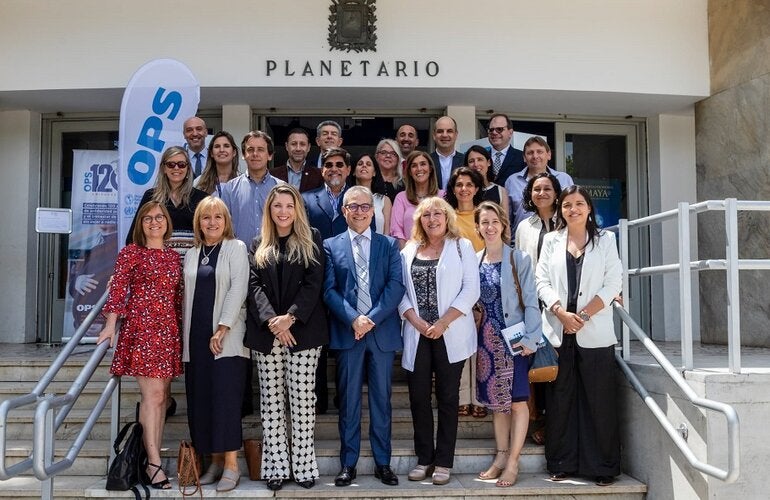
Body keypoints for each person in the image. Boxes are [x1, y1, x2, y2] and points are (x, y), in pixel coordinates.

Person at [535, 185, 622, 486]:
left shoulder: (606, 240)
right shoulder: (550, 240)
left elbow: (613, 283)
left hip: (593, 330)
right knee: (560, 400)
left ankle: (603, 466)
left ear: (589, 209)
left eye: (579, 204)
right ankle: (561, 462)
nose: (574, 209)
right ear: (560, 209)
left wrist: (582, 316)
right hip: (559, 330)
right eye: (568, 205)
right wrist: (560, 312)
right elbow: (541, 280)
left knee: (599, 400)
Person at [246, 184, 328, 491]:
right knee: (271, 402)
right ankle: (276, 467)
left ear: (298, 210)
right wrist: (273, 322)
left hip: (303, 332)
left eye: (289, 206)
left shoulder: (312, 239)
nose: (283, 212)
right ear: (269, 209)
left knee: (303, 401)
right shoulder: (257, 243)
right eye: (277, 206)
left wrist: (290, 318)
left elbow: (314, 283)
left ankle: (304, 467)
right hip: (268, 335)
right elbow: (253, 287)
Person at [323, 186, 405, 488]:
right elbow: (329, 290)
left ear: (374, 210)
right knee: (349, 402)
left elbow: (396, 287)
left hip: (380, 332)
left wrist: (370, 319)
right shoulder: (331, 245)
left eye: (364, 206)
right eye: (352, 206)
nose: (359, 211)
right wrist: (353, 318)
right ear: (344, 211)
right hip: (348, 333)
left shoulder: (389, 245)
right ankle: (348, 463)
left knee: (382, 400)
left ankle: (384, 463)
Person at [97, 201, 182, 490]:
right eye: (148, 218)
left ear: (167, 222)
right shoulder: (131, 253)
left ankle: (150, 459)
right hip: (143, 332)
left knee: (160, 398)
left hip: (168, 333)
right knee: (153, 395)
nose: (154, 222)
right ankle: (154, 463)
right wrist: (110, 325)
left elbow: (178, 300)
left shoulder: (173, 257)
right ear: (140, 223)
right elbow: (118, 289)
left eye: (159, 217)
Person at [399, 197, 480, 486]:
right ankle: (425, 459)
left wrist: (443, 322)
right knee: (418, 399)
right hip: (417, 334)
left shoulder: (462, 246)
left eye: (438, 214)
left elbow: (471, 289)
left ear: (447, 217)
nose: (432, 219)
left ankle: (444, 461)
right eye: (426, 215)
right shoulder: (409, 250)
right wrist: (417, 322)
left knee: (447, 399)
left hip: (451, 333)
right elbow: (401, 292)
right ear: (419, 220)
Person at [182, 197, 249, 493]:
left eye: (217, 217)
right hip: (195, 340)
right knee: (201, 403)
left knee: (225, 402)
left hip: (226, 339)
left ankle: (232, 464)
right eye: (206, 217)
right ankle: (213, 462)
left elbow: (238, 288)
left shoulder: (236, 248)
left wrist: (222, 328)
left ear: (226, 221)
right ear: (198, 222)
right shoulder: (192, 253)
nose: (211, 222)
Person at [474, 201, 541, 488]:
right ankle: (500, 457)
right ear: (477, 227)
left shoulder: (519, 259)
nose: (489, 227)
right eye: (484, 222)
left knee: (517, 402)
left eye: (494, 222)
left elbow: (532, 303)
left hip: (513, 341)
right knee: (497, 404)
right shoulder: (475, 260)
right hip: (486, 342)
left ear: (503, 225)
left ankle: (513, 461)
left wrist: (531, 338)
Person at [302, 146, 355, 414]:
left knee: (346, 346)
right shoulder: (307, 199)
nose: (334, 169)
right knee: (318, 344)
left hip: (350, 283)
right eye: (329, 165)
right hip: (317, 280)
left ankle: (345, 400)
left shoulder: (358, 199)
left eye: (339, 164)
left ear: (348, 169)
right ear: (322, 170)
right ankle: (318, 401)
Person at [514, 171, 563, 446]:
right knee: (537, 364)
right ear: (530, 195)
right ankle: (539, 420)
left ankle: (556, 423)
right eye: (536, 189)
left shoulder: (566, 221)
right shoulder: (524, 227)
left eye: (547, 188)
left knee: (559, 364)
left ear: (556, 192)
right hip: (533, 304)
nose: (541, 193)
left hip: (562, 302)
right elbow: (520, 266)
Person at [443, 167, 486, 419]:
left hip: (484, 285)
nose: (464, 189)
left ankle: (479, 398)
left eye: (469, 184)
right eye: (459, 184)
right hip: (455, 289)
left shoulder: (484, 213)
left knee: (480, 346)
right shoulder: (448, 216)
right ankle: (462, 396)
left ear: (477, 188)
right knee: (459, 343)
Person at [126, 146, 208, 257]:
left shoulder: (202, 199)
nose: (176, 168)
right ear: (164, 168)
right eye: (171, 164)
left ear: (188, 169)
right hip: (159, 266)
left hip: (193, 266)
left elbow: (210, 235)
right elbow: (134, 236)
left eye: (181, 164)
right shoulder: (151, 197)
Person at [218, 131, 283, 249]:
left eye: (260, 149)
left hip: (273, 255)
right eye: (250, 149)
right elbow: (223, 226)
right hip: (239, 257)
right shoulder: (230, 188)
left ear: (270, 155)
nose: (255, 154)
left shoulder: (281, 188)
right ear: (243, 155)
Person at [505, 136, 574, 230]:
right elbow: (506, 219)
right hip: (522, 240)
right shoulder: (512, 181)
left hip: (558, 238)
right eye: (530, 153)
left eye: (539, 152)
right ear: (524, 158)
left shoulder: (564, 179)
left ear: (549, 155)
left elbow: (572, 210)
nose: (535, 156)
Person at [390, 151, 444, 248]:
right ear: (410, 172)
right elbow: (397, 232)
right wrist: (406, 257)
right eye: (414, 166)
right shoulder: (401, 198)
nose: (419, 169)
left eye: (423, 164)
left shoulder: (443, 196)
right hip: (409, 256)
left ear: (430, 168)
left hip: (439, 255)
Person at [348, 153, 392, 235]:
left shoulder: (384, 200)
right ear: (353, 172)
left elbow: (387, 233)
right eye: (360, 164)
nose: (364, 166)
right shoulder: (346, 198)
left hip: (379, 246)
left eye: (368, 164)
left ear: (374, 173)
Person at [270, 128, 323, 192]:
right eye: (294, 144)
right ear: (286, 146)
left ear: (308, 147)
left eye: (302, 144)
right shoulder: (272, 174)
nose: (298, 148)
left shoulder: (319, 175)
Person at [464, 144, 510, 216]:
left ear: (488, 162)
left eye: (480, 159)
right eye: (471, 161)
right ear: (467, 166)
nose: (476, 164)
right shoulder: (463, 191)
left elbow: (505, 224)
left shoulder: (500, 191)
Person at [194, 131, 240, 196]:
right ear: (211, 153)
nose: (221, 150)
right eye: (217, 146)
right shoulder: (199, 183)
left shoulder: (243, 182)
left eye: (226, 146)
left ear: (234, 152)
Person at [486, 113, 524, 186]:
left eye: (499, 129)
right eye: (491, 130)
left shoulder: (522, 158)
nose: (494, 132)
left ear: (510, 133)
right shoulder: (482, 157)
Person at [430, 116, 464, 190]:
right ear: (434, 135)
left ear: (456, 135)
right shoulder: (427, 161)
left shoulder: (465, 160)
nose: (445, 135)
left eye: (449, 131)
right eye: (440, 131)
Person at [374, 138, 404, 203]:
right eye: (383, 152)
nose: (388, 156)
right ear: (377, 156)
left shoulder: (404, 183)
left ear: (398, 159)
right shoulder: (370, 179)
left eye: (393, 153)